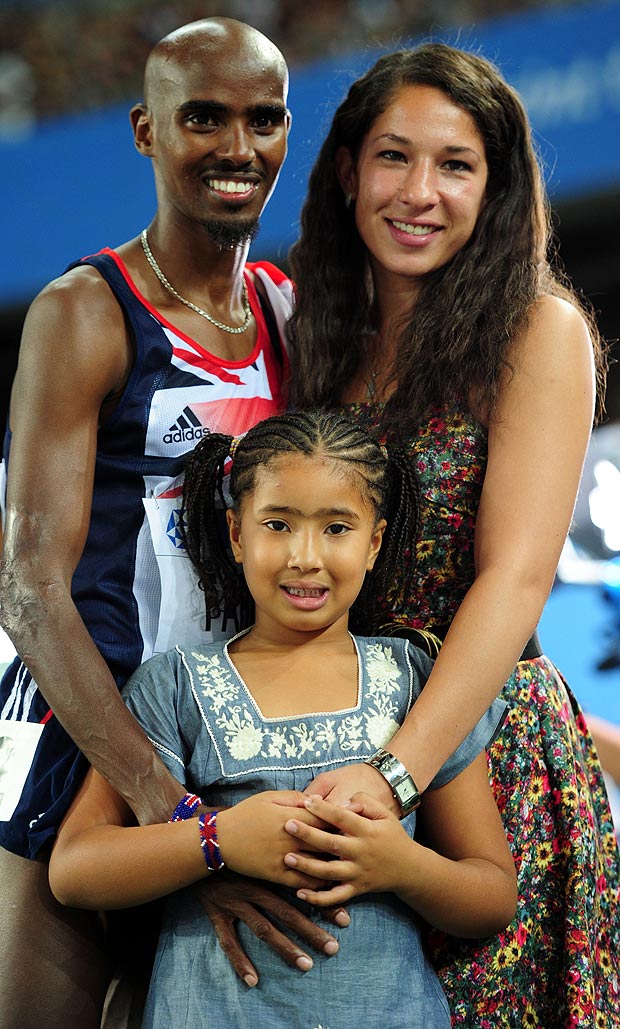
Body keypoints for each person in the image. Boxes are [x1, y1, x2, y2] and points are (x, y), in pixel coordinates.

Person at [0, 18, 340, 1028]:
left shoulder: (288, 318)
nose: (238, 148)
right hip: (78, 743)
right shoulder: (88, 312)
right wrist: (160, 803)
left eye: (263, 120)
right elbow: (26, 584)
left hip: (222, 756)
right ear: (147, 132)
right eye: (204, 118)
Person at [275, 42, 619, 1027]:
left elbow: (512, 581)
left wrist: (392, 776)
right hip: (329, 771)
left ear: (494, 189)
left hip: (486, 775)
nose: (417, 191)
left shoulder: (535, 330)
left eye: (454, 165)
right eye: (392, 157)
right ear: (346, 171)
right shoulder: (313, 343)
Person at [49, 409, 516, 1029]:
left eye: (336, 529)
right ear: (237, 534)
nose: (305, 556)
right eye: (278, 524)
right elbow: (76, 869)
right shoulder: (175, 684)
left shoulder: (416, 683)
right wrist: (217, 843)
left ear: (374, 543)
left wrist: (402, 866)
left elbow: (490, 895)